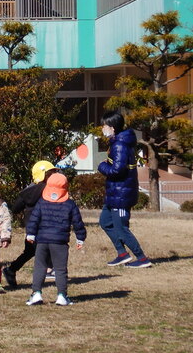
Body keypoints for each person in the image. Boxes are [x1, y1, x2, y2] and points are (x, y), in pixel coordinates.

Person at [24, 173, 86, 306]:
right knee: (60, 269)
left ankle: (36, 294)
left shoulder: (41, 202)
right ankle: (62, 295)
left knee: (40, 267)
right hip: (60, 242)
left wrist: (30, 234)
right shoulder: (70, 204)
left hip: (42, 241)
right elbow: (77, 222)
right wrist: (80, 238)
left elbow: (34, 219)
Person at [98, 112, 151, 268]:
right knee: (105, 222)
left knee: (121, 228)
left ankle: (141, 258)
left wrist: (102, 166)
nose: (103, 129)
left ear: (112, 128)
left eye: (104, 126)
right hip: (115, 192)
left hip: (121, 194)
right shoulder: (117, 142)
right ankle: (122, 254)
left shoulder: (120, 145)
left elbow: (117, 170)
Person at [3, 160, 57, 288]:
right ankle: (48, 271)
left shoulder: (27, 191)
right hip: (44, 227)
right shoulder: (48, 189)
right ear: (43, 175)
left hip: (31, 227)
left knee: (30, 252)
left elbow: (15, 208)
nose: (54, 176)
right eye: (51, 173)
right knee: (45, 249)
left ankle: (11, 270)